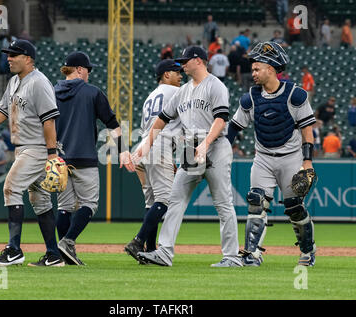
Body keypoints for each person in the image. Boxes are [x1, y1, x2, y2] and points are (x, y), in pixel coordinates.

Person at [135, 46, 242, 268]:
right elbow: (162, 119)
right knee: (175, 200)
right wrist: (147, 143)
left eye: (185, 60)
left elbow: (221, 119)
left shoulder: (216, 86)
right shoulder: (182, 91)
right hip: (190, 149)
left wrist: (205, 144)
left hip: (215, 146)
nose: (182, 64)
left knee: (223, 203)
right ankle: (164, 253)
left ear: (199, 61)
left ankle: (231, 257)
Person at [227, 41, 317, 267]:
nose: (253, 73)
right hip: (263, 159)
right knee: (256, 203)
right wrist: (222, 150)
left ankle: (308, 251)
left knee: (294, 208)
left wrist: (308, 163)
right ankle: (252, 253)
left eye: (257, 68)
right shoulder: (250, 98)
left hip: (291, 158)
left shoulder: (295, 94)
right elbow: (234, 128)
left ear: (271, 68)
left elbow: (307, 130)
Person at [0, 39, 65, 267]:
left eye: (14, 55)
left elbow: (49, 120)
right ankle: (53, 255)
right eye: (8, 54)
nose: (8, 58)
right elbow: (3, 109)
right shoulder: (14, 82)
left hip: (36, 148)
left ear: (28, 59)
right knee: (40, 200)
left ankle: (14, 250)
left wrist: (51, 154)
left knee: (11, 188)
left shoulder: (39, 83)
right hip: (23, 148)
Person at [54, 51, 135, 265]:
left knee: (64, 207)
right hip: (83, 157)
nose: (89, 74)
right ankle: (68, 241)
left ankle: (64, 251)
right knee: (90, 204)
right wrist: (123, 150)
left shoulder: (52, 92)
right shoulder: (92, 92)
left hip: (59, 158)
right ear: (79, 69)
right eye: (88, 70)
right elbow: (112, 124)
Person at [124, 59, 182, 263]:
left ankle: (147, 250)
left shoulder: (151, 96)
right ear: (166, 74)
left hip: (142, 148)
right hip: (159, 146)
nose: (181, 75)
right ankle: (138, 241)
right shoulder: (175, 92)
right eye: (177, 72)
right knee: (164, 200)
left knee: (151, 202)